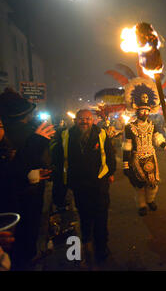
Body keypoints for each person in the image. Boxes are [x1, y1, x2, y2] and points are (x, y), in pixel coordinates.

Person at [0, 90, 54, 270]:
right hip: (21, 200)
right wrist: (35, 144)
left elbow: (11, 171)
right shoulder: (26, 135)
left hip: (21, 198)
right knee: (23, 243)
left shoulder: (8, 144)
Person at [53, 109, 116, 263]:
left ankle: (101, 248)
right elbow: (59, 159)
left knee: (101, 218)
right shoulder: (66, 135)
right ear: (75, 120)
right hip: (79, 185)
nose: (84, 122)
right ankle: (87, 241)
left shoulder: (101, 134)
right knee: (84, 215)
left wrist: (109, 173)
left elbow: (110, 156)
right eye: (81, 119)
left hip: (99, 185)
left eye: (87, 119)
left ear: (92, 120)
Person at [123, 89, 166, 217]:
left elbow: (157, 138)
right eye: (142, 110)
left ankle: (150, 200)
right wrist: (126, 164)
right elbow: (127, 146)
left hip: (151, 157)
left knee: (152, 182)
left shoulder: (152, 124)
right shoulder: (130, 127)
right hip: (137, 158)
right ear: (137, 111)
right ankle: (142, 205)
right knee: (139, 184)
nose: (145, 113)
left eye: (147, 111)